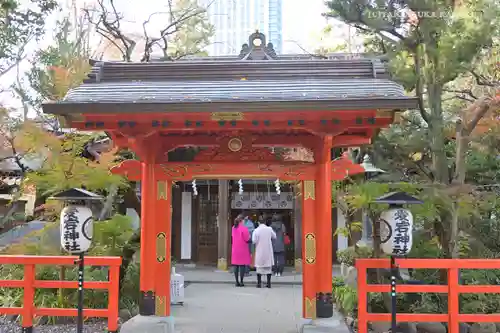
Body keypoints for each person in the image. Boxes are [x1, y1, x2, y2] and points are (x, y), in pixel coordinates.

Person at [252, 215, 276, 288]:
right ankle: (269, 283)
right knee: (268, 268)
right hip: (268, 250)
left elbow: (253, 241)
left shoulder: (256, 230)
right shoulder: (269, 229)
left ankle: (259, 283)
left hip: (260, 250)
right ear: (265, 222)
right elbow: (274, 236)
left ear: (259, 222)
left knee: (259, 268)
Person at [231, 214, 251, 287]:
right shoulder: (244, 228)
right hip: (242, 248)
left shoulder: (233, 227)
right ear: (242, 220)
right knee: (242, 265)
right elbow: (247, 238)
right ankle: (241, 281)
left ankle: (236, 281)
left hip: (235, 248)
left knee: (235, 265)